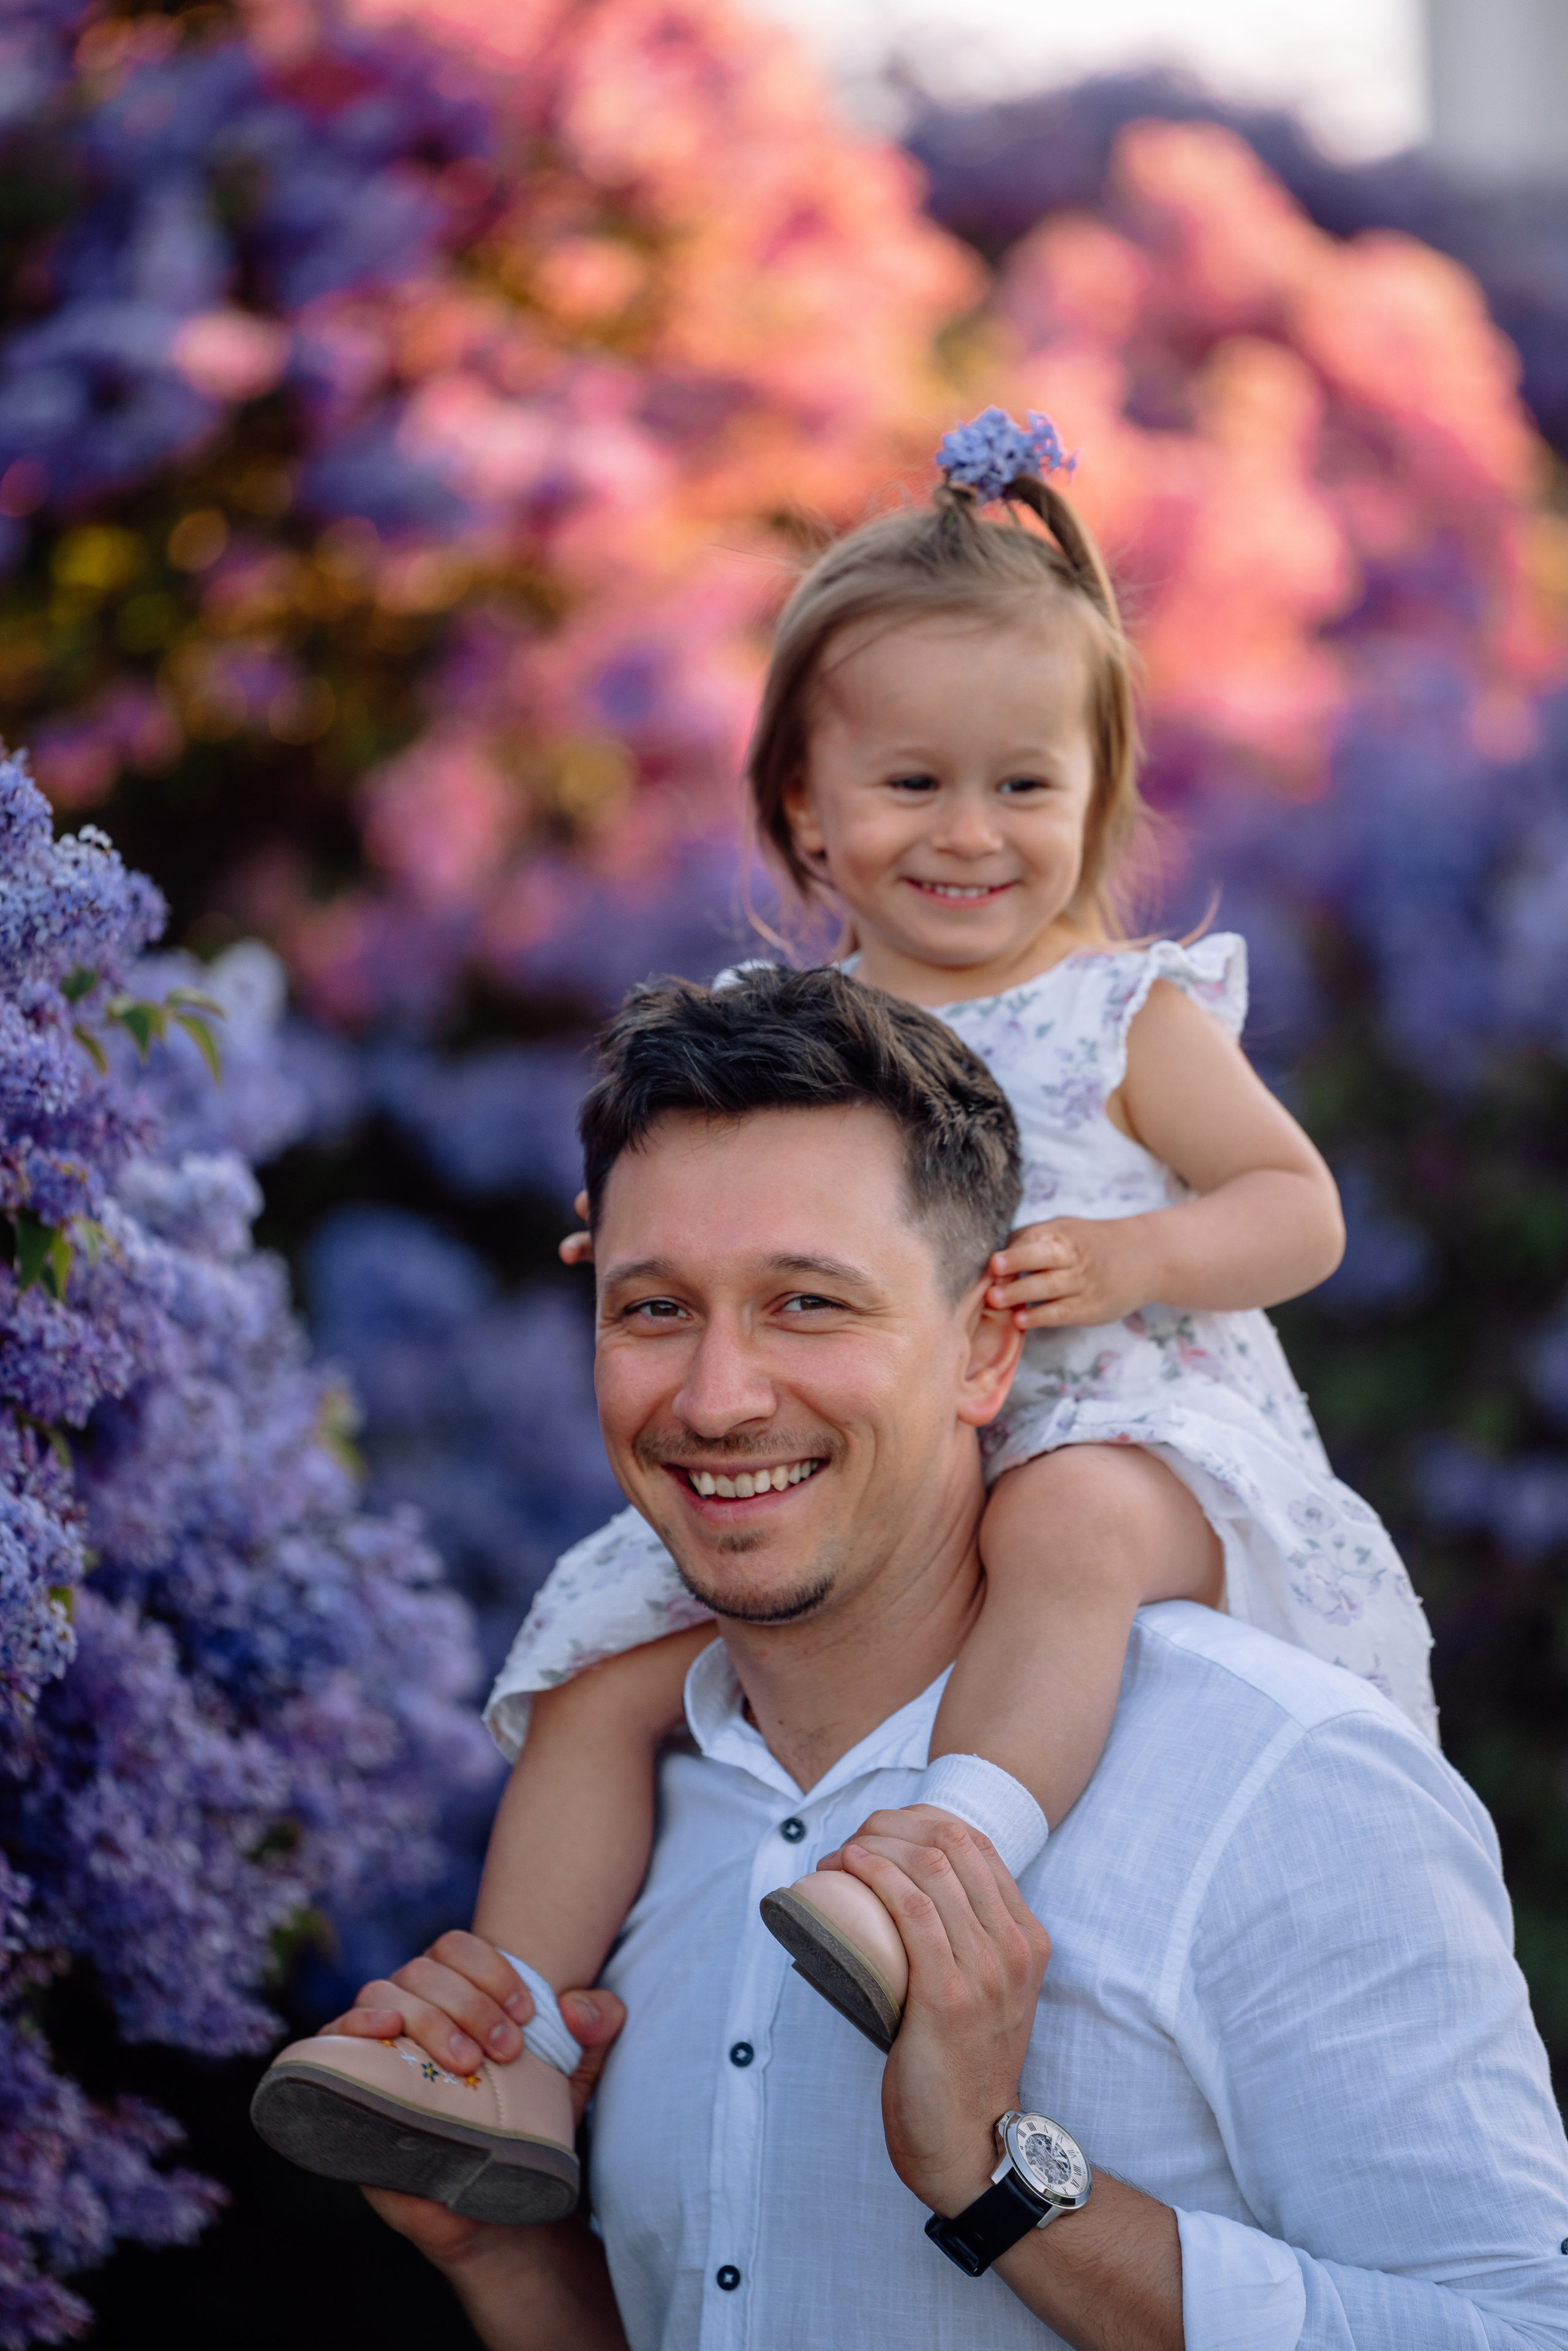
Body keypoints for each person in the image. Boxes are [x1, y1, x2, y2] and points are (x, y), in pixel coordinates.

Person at [254, 406, 1443, 2202]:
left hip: (1107, 1416)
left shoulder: (1128, 1014)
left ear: (1094, 798)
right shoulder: (772, 1017)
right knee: (594, 1675)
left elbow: (1302, 1209)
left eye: (1024, 786)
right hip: (862, 1457)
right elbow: (702, 1189)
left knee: (1063, 1528)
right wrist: (641, 1250)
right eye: (911, 783)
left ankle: (932, 1863)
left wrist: (1133, 1258)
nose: (969, 833)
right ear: (805, 807)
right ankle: (509, 2049)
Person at [300, 964, 1567, 2348]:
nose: (717, 1398)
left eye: (809, 1304)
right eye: (654, 1308)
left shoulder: (1278, 1774)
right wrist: (507, 2256)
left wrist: (993, 2173)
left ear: (983, 1346)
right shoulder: (623, 1826)